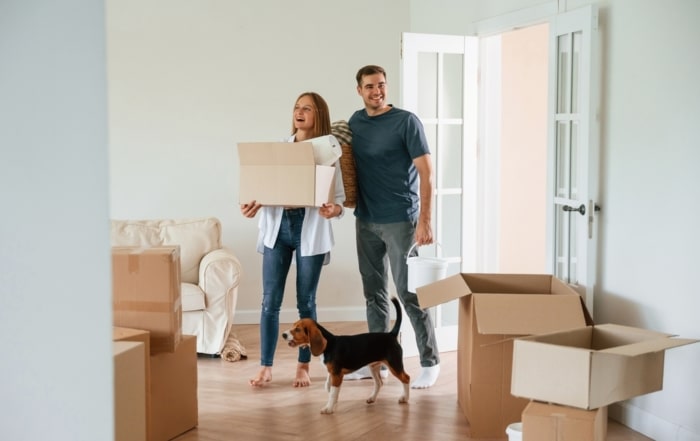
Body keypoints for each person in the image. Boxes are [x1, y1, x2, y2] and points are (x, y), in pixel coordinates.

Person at [241, 92, 345, 388]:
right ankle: (266, 366)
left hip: (310, 228)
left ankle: (303, 367)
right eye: (297, 108)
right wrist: (250, 206)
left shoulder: (329, 153)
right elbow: (259, 189)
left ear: (318, 115)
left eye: (307, 109)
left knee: (306, 301)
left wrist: (332, 210)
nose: (299, 113)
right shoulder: (278, 150)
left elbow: (339, 201)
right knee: (269, 301)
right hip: (278, 228)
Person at [346, 65, 440, 389]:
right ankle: (377, 362)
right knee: (373, 294)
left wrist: (424, 220)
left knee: (408, 292)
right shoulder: (355, 124)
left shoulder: (406, 121)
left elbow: (427, 172)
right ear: (359, 90)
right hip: (366, 220)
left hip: (401, 219)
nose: (377, 91)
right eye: (370, 86)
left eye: (382, 85)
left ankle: (430, 361)